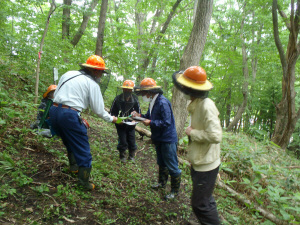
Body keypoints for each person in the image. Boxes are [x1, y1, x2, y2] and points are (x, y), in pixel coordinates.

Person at [49, 55, 118, 191]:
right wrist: (112, 119)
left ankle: (74, 167)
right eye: (100, 73)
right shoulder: (92, 84)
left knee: (69, 140)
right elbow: (98, 110)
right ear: (96, 71)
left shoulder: (69, 74)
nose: (101, 76)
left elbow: (58, 92)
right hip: (69, 115)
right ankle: (83, 183)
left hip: (54, 111)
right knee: (83, 148)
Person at [172, 66, 222, 225]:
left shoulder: (206, 105)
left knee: (199, 204)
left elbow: (216, 135)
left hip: (206, 165)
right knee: (205, 200)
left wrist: (192, 133)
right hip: (200, 161)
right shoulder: (197, 103)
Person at [132, 78, 181, 200]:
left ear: (150, 91)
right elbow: (148, 117)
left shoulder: (162, 102)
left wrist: (151, 123)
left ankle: (175, 191)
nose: (143, 95)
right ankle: (161, 183)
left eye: (144, 92)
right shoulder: (153, 101)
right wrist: (139, 116)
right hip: (158, 138)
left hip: (167, 139)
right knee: (161, 162)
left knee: (172, 165)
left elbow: (166, 122)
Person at [110, 80, 141, 163]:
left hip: (131, 123)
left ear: (132, 90)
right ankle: (122, 155)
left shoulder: (135, 99)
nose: (127, 91)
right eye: (125, 89)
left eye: (129, 90)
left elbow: (139, 113)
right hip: (120, 123)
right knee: (122, 139)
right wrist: (116, 119)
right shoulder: (117, 99)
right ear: (123, 89)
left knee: (132, 139)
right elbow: (112, 112)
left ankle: (131, 156)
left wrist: (135, 117)